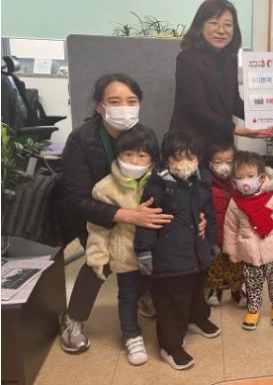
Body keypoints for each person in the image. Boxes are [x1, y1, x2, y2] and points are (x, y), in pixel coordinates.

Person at [56, 74, 206, 353]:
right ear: (99, 105)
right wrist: (125, 215)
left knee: (155, 249)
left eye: (131, 101)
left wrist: (192, 212)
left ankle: (144, 295)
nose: (124, 107)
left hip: (141, 211)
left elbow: (166, 176)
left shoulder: (144, 135)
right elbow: (75, 200)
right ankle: (73, 318)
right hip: (96, 217)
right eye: (115, 101)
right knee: (99, 263)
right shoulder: (81, 140)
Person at [134, 132, 220, 370]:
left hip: (197, 251)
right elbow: (147, 221)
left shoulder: (202, 182)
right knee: (173, 301)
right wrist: (144, 251)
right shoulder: (158, 186)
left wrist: (212, 241)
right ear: (167, 160)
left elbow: (209, 215)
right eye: (178, 158)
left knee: (196, 290)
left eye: (190, 158)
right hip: (169, 257)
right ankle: (170, 346)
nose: (185, 164)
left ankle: (197, 318)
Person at [85, 124, 159, 365]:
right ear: (118, 153)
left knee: (154, 288)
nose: (135, 161)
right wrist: (97, 256)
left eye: (142, 155)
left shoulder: (158, 182)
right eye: (128, 154)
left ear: (151, 158)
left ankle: (158, 317)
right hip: (124, 252)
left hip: (156, 253)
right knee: (127, 295)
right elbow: (97, 227)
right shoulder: (105, 188)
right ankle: (131, 335)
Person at [169, 0, 273, 145]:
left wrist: (266, 118)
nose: (221, 30)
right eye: (214, 23)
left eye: (228, 25)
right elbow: (197, 108)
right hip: (190, 144)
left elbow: (234, 103)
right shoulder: (188, 59)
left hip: (221, 143)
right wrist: (237, 129)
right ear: (200, 26)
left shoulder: (230, 59)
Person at [222, 151, 273, 331]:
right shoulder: (235, 202)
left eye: (250, 176)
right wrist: (232, 250)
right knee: (252, 283)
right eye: (240, 177)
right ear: (234, 181)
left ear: (261, 177)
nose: (245, 181)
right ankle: (253, 308)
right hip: (249, 252)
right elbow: (230, 228)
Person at [205, 136, 247, 308]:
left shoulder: (240, 182)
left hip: (236, 233)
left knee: (237, 264)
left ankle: (237, 290)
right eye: (218, 161)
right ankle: (216, 289)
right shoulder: (205, 182)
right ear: (210, 163)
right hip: (215, 233)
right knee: (216, 263)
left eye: (229, 162)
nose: (224, 166)